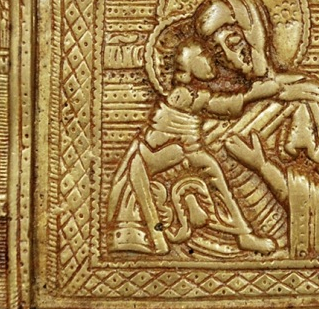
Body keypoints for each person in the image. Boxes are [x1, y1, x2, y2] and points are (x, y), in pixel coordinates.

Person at [197, 0, 319, 258]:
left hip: (283, 250)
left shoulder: (304, 100)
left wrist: (262, 166)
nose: (232, 58)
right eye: (219, 53)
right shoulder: (220, 108)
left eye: (234, 41)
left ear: (254, 30)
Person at [108, 35, 280, 255]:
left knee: (215, 174)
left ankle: (243, 234)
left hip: (185, 152)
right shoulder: (182, 94)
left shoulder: (191, 92)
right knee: (212, 172)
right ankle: (242, 235)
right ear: (187, 69)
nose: (210, 59)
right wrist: (253, 95)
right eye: (203, 55)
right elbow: (218, 105)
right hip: (158, 155)